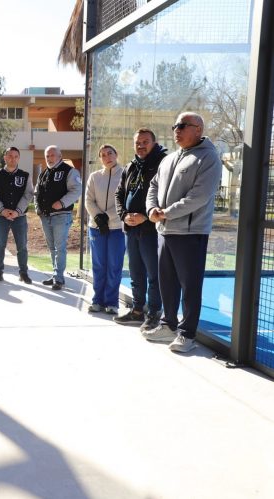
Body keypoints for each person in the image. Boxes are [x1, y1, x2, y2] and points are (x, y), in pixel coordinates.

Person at [144, 112, 223, 353]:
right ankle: (168, 325)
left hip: (190, 233)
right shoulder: (169, 159)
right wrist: (151, 209)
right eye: (175, 126)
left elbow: (199, 197)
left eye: (182, 125)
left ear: (198, 129)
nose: (176, 130)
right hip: (165, 230)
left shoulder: (208, 158)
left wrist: (166, 213)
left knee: (190, 286)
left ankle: (187, 334)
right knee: (167, 282)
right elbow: (153, 186)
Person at [114, 128, 167, 330]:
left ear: (154, 143)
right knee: (136, 274)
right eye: (137, 142)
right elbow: (119, 194)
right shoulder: (130, 166)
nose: (141, 146)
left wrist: (145, 216)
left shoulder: (163, 163)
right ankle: (137, 311)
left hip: (152, 230)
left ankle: (154, 314)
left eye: (145, 142)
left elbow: (165, 195)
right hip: (131, 229)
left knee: (154, 275)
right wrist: (124, 215)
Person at [34, 145, 82, 290]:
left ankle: (59, 279)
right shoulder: (43, 173)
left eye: (52, 155)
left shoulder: (69, 171)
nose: (49, 158)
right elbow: (37, 193)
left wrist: (61, 203)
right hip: (45, 216)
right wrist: (37, 209)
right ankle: (55, 275)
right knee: (52, 247)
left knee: (59, 248)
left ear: (60, 156)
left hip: (61, 216)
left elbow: (77, 190)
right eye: (47, 156)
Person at [84, 144, 125, 314]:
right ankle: (97, 301)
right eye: (103, 155)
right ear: (100, 159)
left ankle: (112, 303)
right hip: (96, 228)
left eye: (110, 153)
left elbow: (124, 201)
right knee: (99, 265)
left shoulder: (125, 174)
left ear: (116, 154)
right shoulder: (94, 177)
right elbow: (88, 200)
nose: (107, 157)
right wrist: (98, 218)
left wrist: (107, 217)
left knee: (114, 265)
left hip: (117, 228)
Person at [0, 147, 34, 283]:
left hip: (19, 217)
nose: (12, 159)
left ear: (18, 158)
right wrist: (2, 210)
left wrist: (17, 211)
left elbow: (28, 195)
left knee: (22, 246)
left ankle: (23, 273)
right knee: (0, 246)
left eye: (15, 156)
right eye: (10, 156)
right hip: (1, 217)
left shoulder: (25, 175)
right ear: (5, 157)